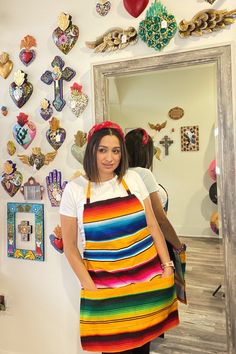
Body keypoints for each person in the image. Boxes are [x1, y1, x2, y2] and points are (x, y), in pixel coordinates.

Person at [60, 121, 179, 354]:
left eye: (115, 150)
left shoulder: (133, 180)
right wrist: (91, 288)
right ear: (92, 150)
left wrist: (167, 265)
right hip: (107, 290)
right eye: (102, 150)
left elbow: (153, 225)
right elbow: (70, 248)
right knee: (115, 349)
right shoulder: (74, 190)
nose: (109, 158)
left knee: (143, 347)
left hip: (146, 282)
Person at [125, 128, 187, 304]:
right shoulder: (144, 174)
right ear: (147, 153)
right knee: (160, 294)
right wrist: (177, 245)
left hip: (134, 242)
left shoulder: (120, 175)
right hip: (154, 242)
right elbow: (160, 218)